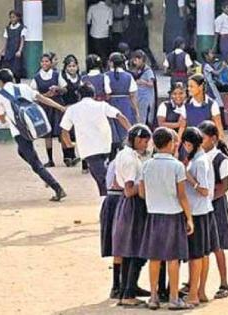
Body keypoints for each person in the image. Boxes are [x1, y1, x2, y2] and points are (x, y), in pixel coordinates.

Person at [138, 127, 194, 310]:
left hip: (153, 215)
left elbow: (141, 192)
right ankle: (174, 297)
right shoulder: (177, 166)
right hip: (173, 215)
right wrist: (189, 218)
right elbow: (182, 195)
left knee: (154, 258)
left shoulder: (146, 165)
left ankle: (153, 297)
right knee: (173, 258)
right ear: (171, 144)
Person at [0, 69, 67, 202]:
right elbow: (42, 98)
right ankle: (45, 176)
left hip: (20, 132)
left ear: (0, 82)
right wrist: (60, 107)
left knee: (34, 162)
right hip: (35, 126)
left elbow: (1, 116)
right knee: (22, 152)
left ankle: (56, 187)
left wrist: (5, 120)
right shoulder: (23, 87)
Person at [60, 83, 131, 197]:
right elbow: (119, 116)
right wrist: (131, 131)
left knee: (102, 179)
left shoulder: (72, 109)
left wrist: (69, 144)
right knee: (103, 177)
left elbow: (64, 130)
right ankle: (108, 200)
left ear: (78, 95)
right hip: (105, 146)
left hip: (88, 149)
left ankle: (109, 201)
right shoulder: (102, 105)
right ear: (93, 95)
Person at [112, 124, 152, 306]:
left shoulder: (126, 154)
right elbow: (129, 190)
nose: (146, 145)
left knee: (130, 249)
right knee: (136, 248)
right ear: (137, 139)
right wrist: (145, 183)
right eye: (144, 141)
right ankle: (128, 293)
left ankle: (129, 287)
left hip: (130, 205)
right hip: (134, 204)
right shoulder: (129, 159)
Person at [181, 126, 219, 306]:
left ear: (188, 144)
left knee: (196, 255)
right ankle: (200, 291)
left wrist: (189, 178)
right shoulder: (198, 158)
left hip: (198, 211)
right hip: (203, 211)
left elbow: (204, 190)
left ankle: (194, 294)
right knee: (202, 254)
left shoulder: (199, 162)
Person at [198, 120, 228, 300]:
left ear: (213, 139)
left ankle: (224, 282)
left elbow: (225, 186)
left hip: (216, 205)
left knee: (218, 245)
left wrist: (208, 198)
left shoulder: (221, 159)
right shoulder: (200, 156)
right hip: (204, 204)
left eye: (202, 138)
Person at [30, 53, 66, 168]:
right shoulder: (36, 77)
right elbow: (34, 95)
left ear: (51, 63)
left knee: (62, 132)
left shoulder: (57, 75)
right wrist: (46, 95)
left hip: (57, 105)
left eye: (47, 61)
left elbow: (65, 89)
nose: (44, 63)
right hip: (44, 107)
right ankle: (50, 159)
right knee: (47, 134)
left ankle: (67, 156)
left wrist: (58, 89)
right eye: (43, 61)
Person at [105, 52, 140, 159]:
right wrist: (136, 111)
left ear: (111, 63)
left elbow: (107, 93)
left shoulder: (106, 76)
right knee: (125, 129)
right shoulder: (128, 76)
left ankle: (112, 157)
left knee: (112, 130)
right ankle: (125, 155)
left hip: (111, 104)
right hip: (125, 104)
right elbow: (133, 95)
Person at [99, 159, 124, 299]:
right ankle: (117, 286)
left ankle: (120, 285)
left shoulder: (118, 159)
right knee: (120, 245)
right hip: (117, 201)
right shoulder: (126, 159)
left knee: (120, 246)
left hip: (113, 201)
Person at [58, 55, 82, 168]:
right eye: (69, 66)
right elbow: (64, 89)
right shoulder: (62, 77)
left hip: (77, 107)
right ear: (66, 67)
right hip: (66, 107)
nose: (72, 68)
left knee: (75, 132)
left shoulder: (80, 77)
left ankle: (73, 155)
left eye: (74, 66)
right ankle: (67, 156)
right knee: (65, 130)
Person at [184, 74, 225, 140]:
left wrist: (220, 143)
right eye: (188, 86)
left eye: (191, 86)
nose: (189, 89)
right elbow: (182, 127)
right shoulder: (186, 104)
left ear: (200, 87)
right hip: (191, 142)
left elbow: (219, 127)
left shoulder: (212, 104)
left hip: (207, 143)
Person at [123, 0, 157, 68]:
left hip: (132, 29)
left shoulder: (128, 6)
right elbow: (148, 17)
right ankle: (153, 63)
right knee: (145, 47)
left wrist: (125, 29)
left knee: (131, 47)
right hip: (141, 29)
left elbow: (125, 19)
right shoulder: (143, 5)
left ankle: (129, 63)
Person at [202, 49, 228, 130]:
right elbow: (216, 73)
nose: (213, 55)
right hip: (210, 87)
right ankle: (223, 125)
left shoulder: (207, 64)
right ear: (206, 56)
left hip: (210, 86)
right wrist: (223, 67)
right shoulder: (206, 65)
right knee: (220, 104)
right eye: (211, 53)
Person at [0, 10, 26, 83]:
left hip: (16, 52)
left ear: (18, 18)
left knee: (17, 72)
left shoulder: (22, 28)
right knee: (7, 71)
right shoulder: (7, 28)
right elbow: (6, 42)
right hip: (8, 52)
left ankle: (17, 86)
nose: (12, 19)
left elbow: (22, 40)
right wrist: (1, 52)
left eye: (14, 17)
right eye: (11, 17)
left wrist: (20, 50)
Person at [130, 50, 156, 126]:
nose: (135, 62)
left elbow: (151, 84)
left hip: (145, 98)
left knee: (143, 117)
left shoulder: (148, 70)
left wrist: (143, 82)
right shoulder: (135, 70)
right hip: (138, 96)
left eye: (137, 60)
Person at [87, 0, 113, 66]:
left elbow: (88, 21)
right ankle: (104, 66)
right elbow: (110, 23)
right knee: (104, 52)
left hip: (94, 33)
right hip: (104, 34)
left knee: (95, 52)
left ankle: (95, 65)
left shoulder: (92, 8)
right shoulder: (109, 9)